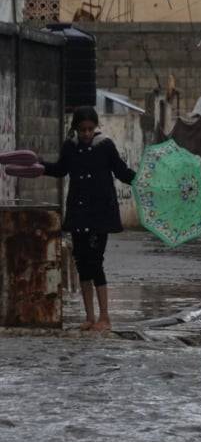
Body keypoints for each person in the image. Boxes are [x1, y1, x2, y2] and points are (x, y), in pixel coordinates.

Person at [40, 107, 136, 332]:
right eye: (82, 129)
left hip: (100, 214)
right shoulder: (70, 147)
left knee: (95, 262)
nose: (85, 133)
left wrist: (143, 180)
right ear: (75, 129)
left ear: (95, 128)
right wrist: (40, 166)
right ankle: (90, 317)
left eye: (90, 129)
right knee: (82, 262)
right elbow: (60, 170)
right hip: (78, 213)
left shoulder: (105, 146)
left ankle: (105, 317)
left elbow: (122, 172)